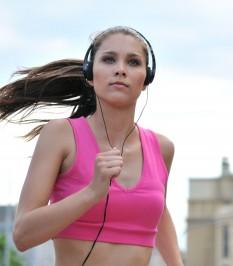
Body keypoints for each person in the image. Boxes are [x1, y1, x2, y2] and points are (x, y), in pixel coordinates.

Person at [0, 26, 183, 265]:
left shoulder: (162, 148)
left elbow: (159, 214)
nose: (120, 69)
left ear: (146, 79)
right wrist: (92, 192)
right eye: (109, 59)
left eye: (133, 62)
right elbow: (23, 235)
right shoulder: (60, 135)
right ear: (89, 72)